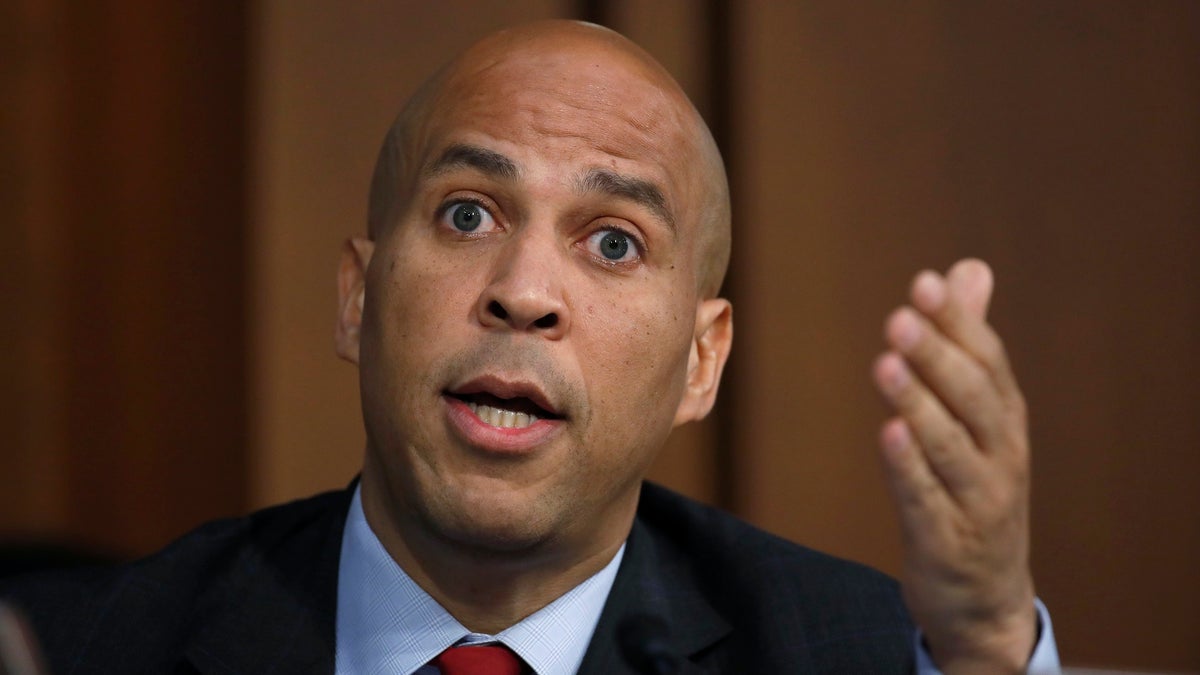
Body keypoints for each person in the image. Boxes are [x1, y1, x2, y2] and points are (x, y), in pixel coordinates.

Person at [1, 20, 1059, 674]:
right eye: (468, 215)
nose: (523, 294)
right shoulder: (104, 643)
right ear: (359, 297)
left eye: (612, 242)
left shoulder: (859, 656)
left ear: (702, 361)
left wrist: (983, 654)